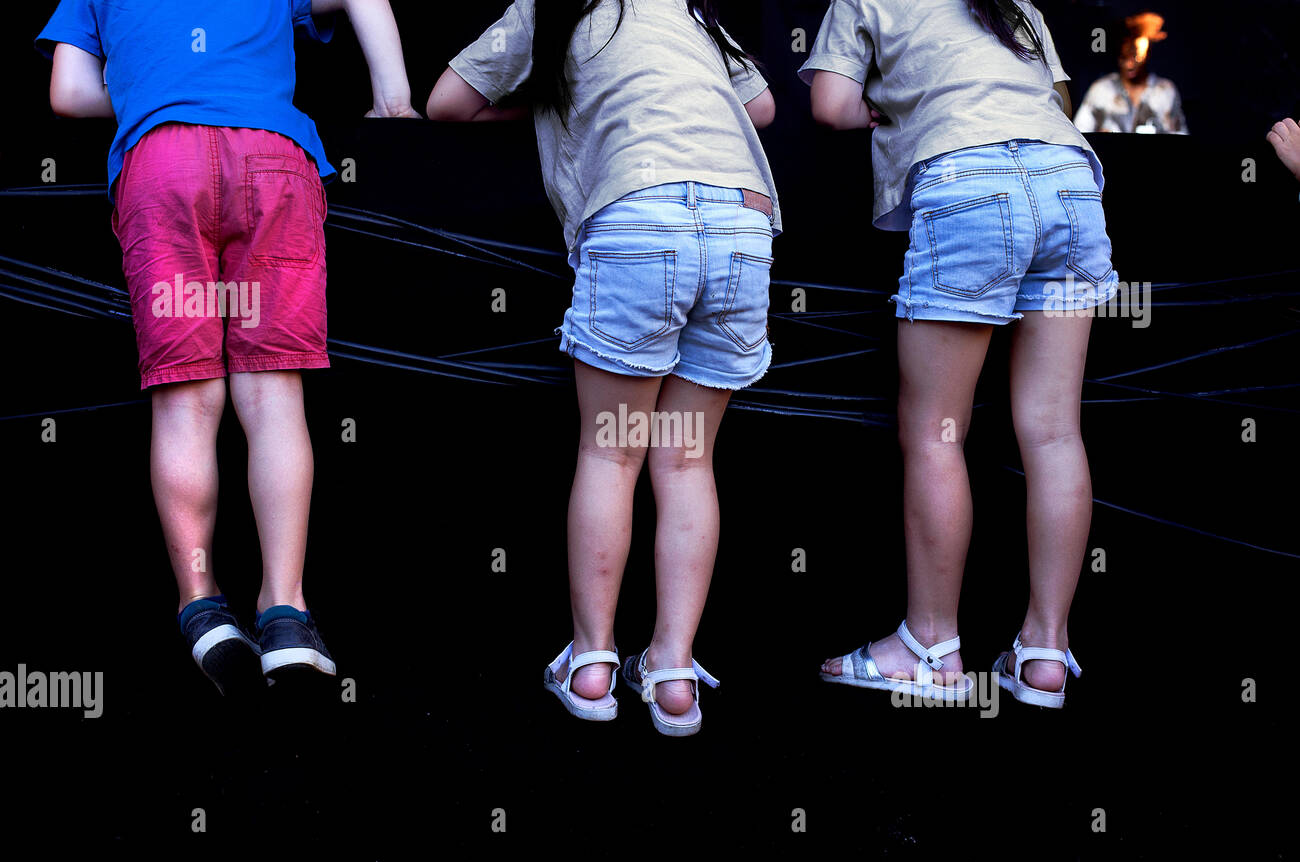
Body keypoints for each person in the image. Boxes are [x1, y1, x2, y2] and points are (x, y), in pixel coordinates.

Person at [37, 0, 419, 695]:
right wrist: (393, 103)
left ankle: (203, 608)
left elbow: (65, 92)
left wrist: (146, 88)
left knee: (186, 398)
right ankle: (285, 616)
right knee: (274, 396)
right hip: (271, 156)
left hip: (162, 161)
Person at [428, 0, 780, 735]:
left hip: (641, 214)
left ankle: (593, 665)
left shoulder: (549, 9)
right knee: (686, 462)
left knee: (611, 453)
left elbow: (444, 104)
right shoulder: (689, 11)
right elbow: (765, 107)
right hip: (745, 223)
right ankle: (674, 673)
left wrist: (550, 110)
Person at [803, 0, 1117, 708]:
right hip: (1070, 182)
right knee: (1054, 431)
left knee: (937, 434)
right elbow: (1058, 99)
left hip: (970, 180)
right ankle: (1044, 651)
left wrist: (883, 109)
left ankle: (930, 650)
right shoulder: (1016, 1)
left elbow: (830, 106)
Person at [1074, 12, 1187, 134]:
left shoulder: (1165, 90)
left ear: (1146, 54)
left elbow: (1180, 136)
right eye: (1123, 58)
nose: (1129, 65)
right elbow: (1079, 134)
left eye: (1135, 57)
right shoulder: (1101, 89)